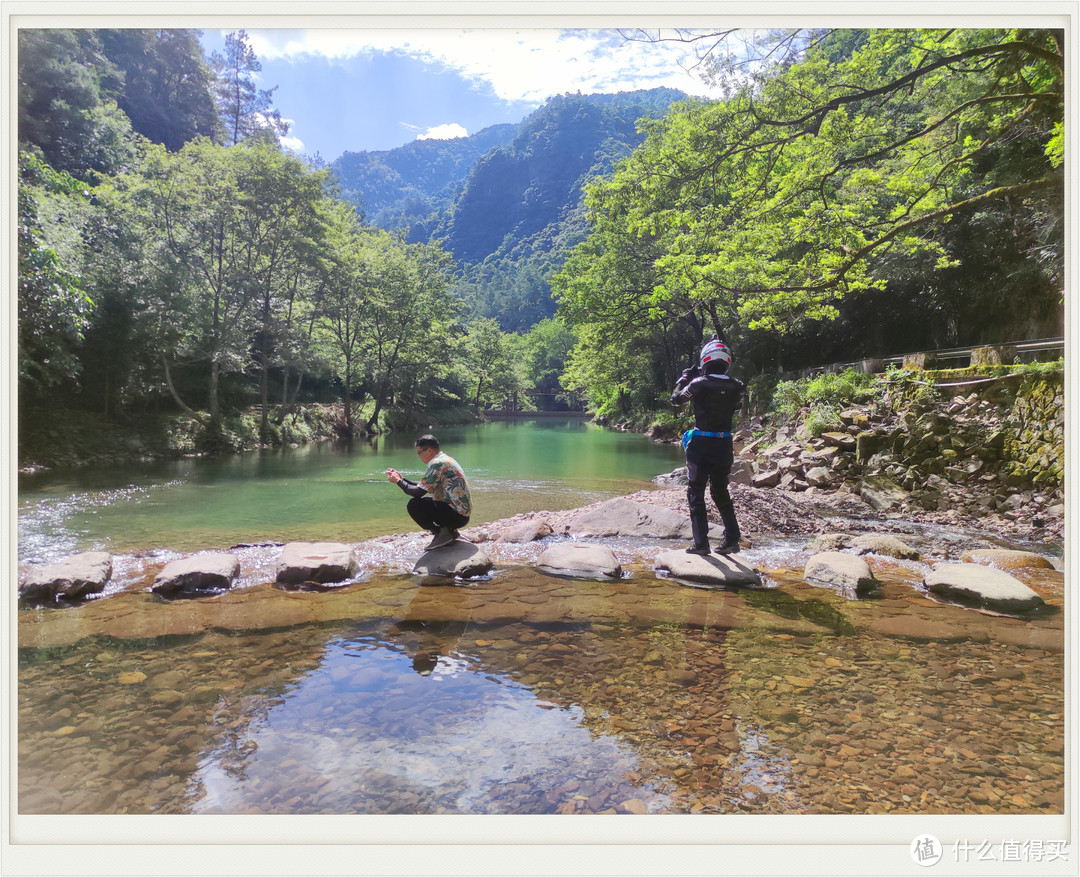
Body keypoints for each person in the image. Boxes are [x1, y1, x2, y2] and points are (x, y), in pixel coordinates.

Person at [670, 336, 746, 555]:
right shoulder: (738, 386)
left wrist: (684, 379)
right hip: (724, 444)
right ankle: (731, 540)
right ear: (727, 360)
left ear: (705, 360)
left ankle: (701, 544)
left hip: (701, 444)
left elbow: (675, 399)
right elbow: (737, 403)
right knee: (720, 491)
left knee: (696, 492)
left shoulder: (698, 384)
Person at [386, 434, 472, 549]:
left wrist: (398, 481)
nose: (419, 456)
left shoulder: (437, 463)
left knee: (414, 505)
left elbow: (417, 493)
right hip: (460, 515)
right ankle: (450, 532)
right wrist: (401, 479)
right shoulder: (443, 459)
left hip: (456, 516)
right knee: (422, 502)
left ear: (429, 451)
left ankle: (442, 534)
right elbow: (422, 487)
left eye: (419, 453)